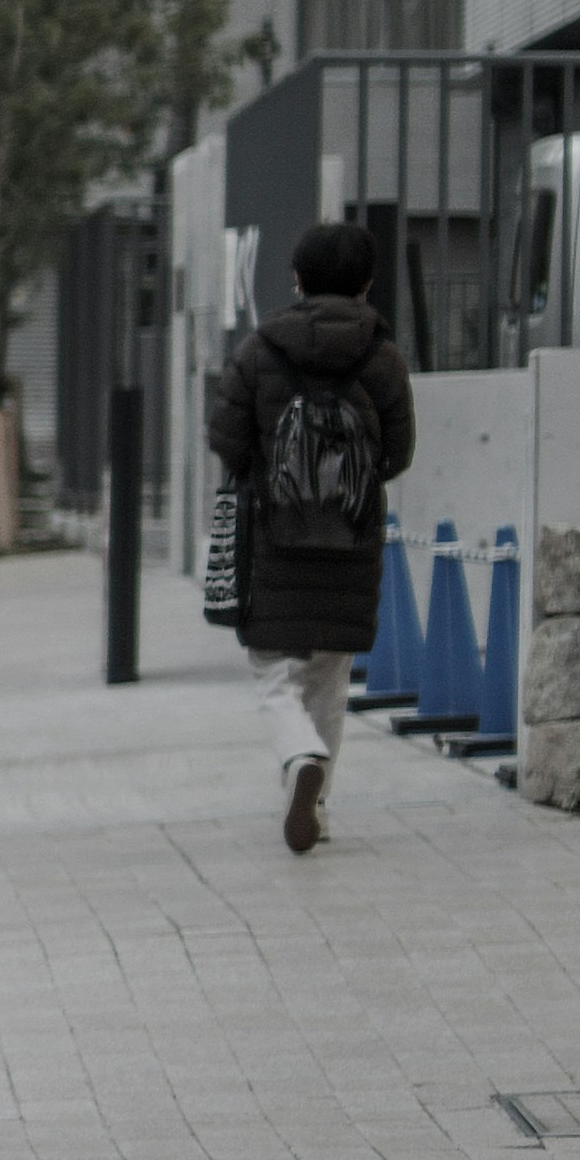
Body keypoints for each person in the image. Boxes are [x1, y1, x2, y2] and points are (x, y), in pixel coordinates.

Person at [205, 222, 414, 857]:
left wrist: (269, 473)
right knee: (329, 673)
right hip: (351, 537)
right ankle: (316, 805)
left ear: (296, 279)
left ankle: (300, 757)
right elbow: (398, 453)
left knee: (274, 672)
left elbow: (226, 437)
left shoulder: (260, 350)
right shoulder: (382, 356)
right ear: (368, 283)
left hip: (277, 536)